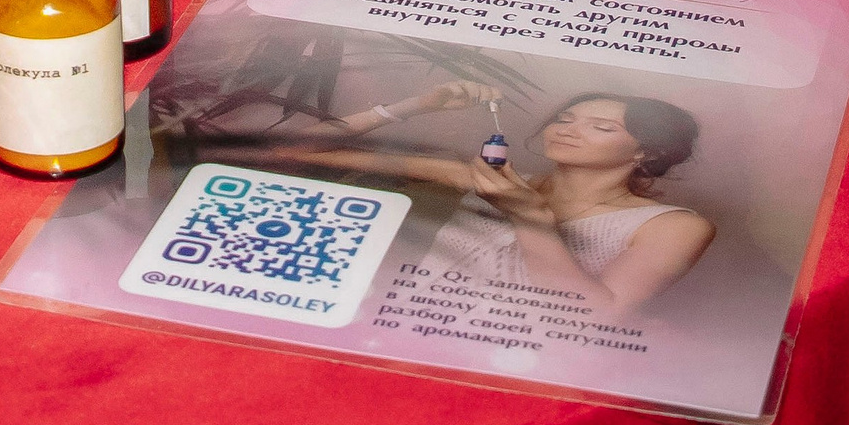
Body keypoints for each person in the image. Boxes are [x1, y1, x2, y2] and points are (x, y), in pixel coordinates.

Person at [291, 93, 714, 324]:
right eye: (565, 119)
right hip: (400, 335)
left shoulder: (671, 227)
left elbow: (598, 318)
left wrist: (529, 217)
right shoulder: (482, 178)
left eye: (601, 127)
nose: (568, 130)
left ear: (648, 151)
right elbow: (291, 151)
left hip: (518, 377)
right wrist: (412, 105)